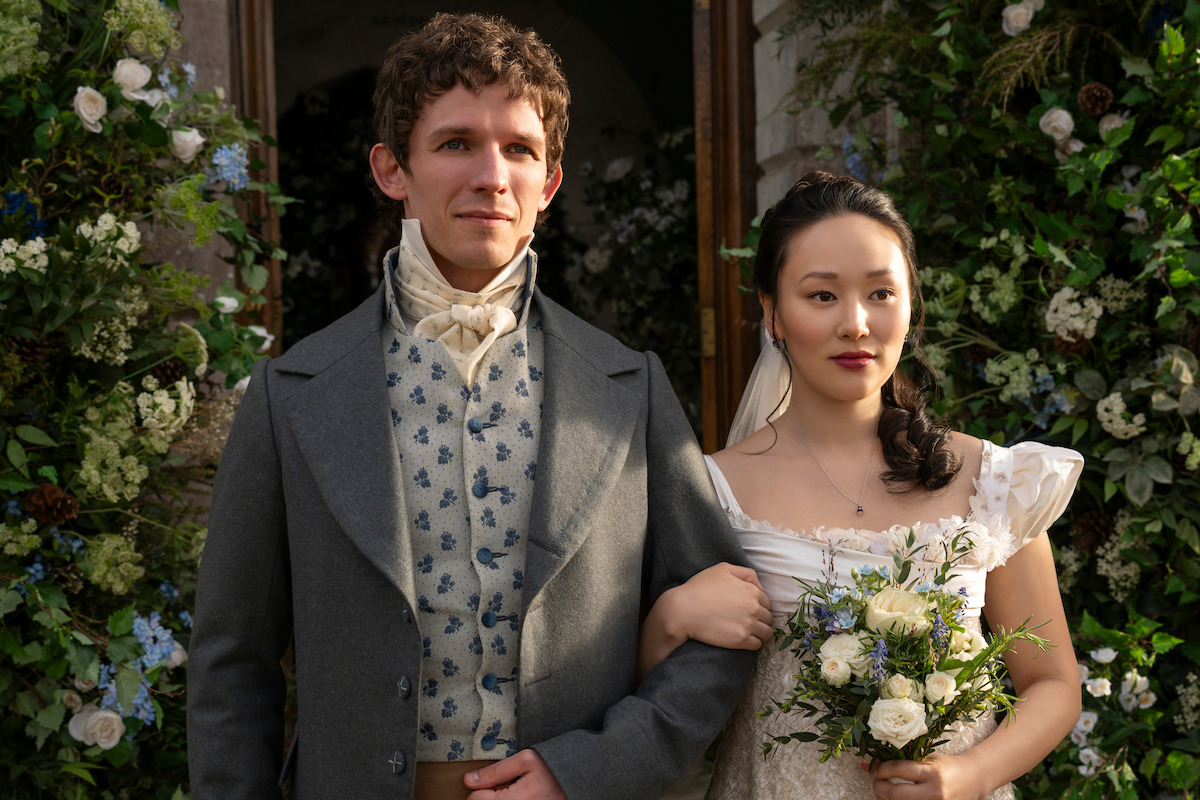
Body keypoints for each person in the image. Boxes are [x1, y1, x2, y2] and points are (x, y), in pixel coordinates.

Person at [186, 13, 754, 800]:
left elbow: (726, 634)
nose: (492, 174)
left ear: (549, 184)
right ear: (393, 170)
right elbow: (231, 668)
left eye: (520, 149)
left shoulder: (631, 387)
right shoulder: (290, 397)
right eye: (457, 143)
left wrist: (584, 771)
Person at [639, 172, 1084, 799]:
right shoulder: (710, 492)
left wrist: (966, 776)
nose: (856, 324)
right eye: (822, 296)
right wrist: (668, 620)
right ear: (772, 313)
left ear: (910, 305)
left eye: (881, 293)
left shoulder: (993, 480)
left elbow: (1053, 683)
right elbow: (651, 706)